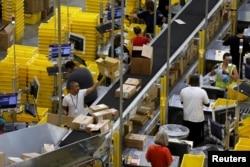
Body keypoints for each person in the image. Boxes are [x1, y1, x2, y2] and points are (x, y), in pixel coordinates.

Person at [180, 74, 210, 147]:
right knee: (197, 140)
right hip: (198, 120)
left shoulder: (183, 91)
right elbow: (207, 104)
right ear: (199, 82)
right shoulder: (202, 92)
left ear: (189, 81)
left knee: (188, 138)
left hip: (186, 119)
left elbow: (182, 102)